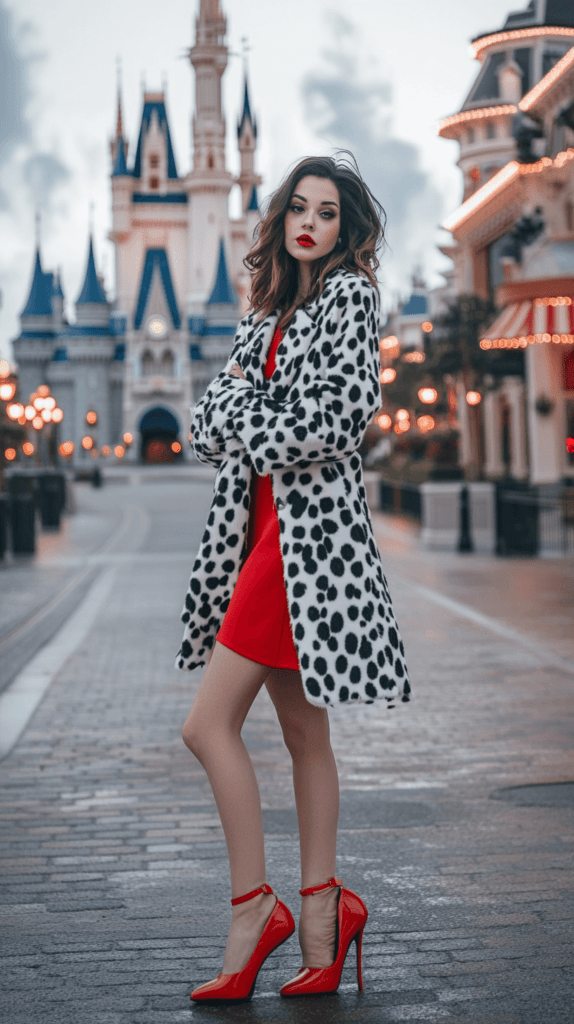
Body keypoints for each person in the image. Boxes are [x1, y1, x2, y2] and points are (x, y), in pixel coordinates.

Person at [177, 152, 410, 1004]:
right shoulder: (262, 311)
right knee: (306, 739)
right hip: (258, 535)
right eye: (299, 209)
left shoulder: (351, 299)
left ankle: (254, 912)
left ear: (347, 231)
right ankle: (323, 915)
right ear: (279, 221)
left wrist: (245, 410)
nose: (311, 223)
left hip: (306, 547)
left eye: (329, 214)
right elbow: (207, 430)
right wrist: (244, 413)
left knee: (206, 727)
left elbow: (333, 422)